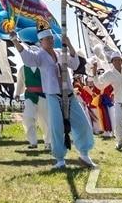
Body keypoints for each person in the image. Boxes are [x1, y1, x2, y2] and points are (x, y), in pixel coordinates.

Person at [10, 29, 96, 169]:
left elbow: (74, 64)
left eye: (51, 38)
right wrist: (15, 41)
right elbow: (27, 57)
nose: (50, 40)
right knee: (56, 126)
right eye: (47, 39)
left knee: (83, 123)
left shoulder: (60, 52)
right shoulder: (39, 56)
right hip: (53, 95)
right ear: (41, 42)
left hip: (68, 94)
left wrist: (68, 43)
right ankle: (60, 159)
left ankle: (84, 154)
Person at [16, 60, 50, 150]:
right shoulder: (23, 68)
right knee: (28, 117)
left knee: (45, 119)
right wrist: (17, 93)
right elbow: (20, 82)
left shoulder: (44, 67)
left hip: (43, 95)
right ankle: (33, 142)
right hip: (29, 96)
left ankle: (48, 142)